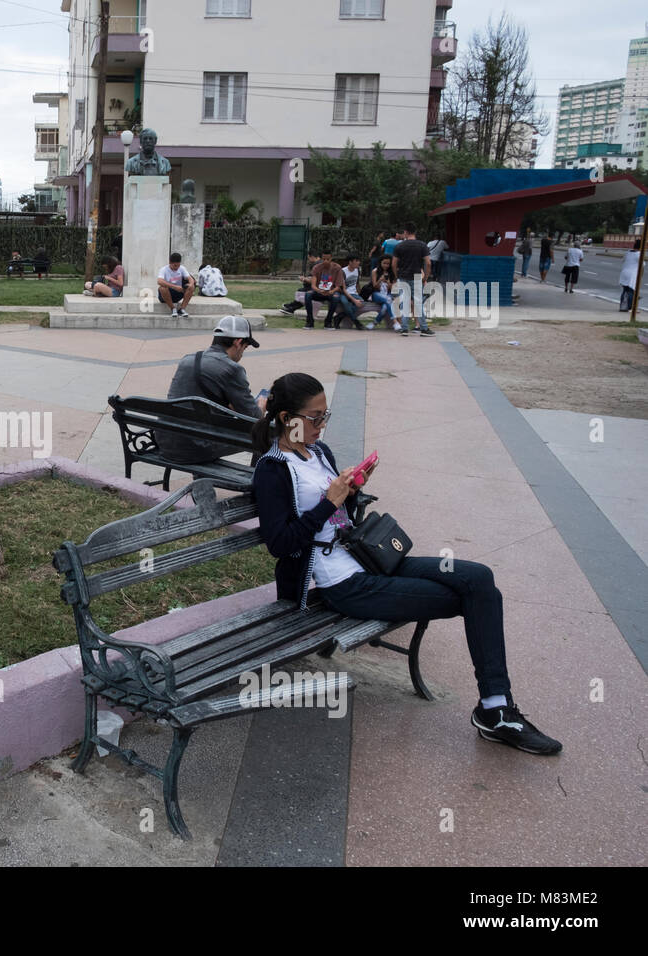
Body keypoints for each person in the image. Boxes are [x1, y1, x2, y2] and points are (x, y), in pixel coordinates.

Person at [249, 372, 562, 757]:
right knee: (471, 600)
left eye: (325, 416)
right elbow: (281, 545)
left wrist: (352, 491)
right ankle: (496, 710)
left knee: (479, 579)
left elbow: (342, 518)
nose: (321, 425)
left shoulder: (320, 453)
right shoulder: (272, 468)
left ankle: (495, 709)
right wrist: (329, 502)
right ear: (286, 417)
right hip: (342, 585)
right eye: (315, 418)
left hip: (369, 560)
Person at [155, 315, 267, 465]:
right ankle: (255, 485)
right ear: (238, 342)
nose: (242, 354)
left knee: (199, 428)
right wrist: (261, 406)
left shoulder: (187, 359)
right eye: (245, 348)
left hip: (166, 442)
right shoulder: (232, 368)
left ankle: (202, 488)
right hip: (196, 449)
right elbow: (254, 418)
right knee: (265, 434)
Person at [393, 222, 434, 337]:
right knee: (418, 302)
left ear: (405, 232)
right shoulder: (422, 245)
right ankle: (424, 328)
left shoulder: (400, 246)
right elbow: (428, 263)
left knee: (405, 302)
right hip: (416, 276)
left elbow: (394, 263)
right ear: (415, 232)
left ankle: (404, 328)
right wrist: (425, 277)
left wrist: (397, 275)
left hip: (403, 276)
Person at [302, 250, 346, 330]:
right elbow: (313, 285)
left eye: (328, 259)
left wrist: (331, 292)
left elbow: (338, 286)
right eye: (324, 259)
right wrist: (319, 290)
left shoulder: (337, 268)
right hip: (319, 291)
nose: (325, 261)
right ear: (321, 258)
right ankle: (310, 322)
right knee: (308, 294)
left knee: (336, 297)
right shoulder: (316, 268)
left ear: (331, 258)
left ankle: (328, 322)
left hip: (331, 292)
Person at [326, 253, 365, 330]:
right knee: (345, 303)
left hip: (354, 293)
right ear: (350, 262)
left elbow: (357, 284)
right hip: (344, 293)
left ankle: (339, 317)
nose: (358, 262)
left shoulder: (357, 270)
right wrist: (354, 300)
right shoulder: (343, 271)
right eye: (356, 261)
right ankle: (356, 322)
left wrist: (359, 295)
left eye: (358, 261)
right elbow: (343, 289)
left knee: (362, 302)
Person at [157, 252, 196, 317]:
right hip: (166, 295)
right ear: (170, 262)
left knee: (191, 287)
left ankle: (182, 309)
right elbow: (159, 281)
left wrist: (191, 284)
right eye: (175, 265)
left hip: (178, 293)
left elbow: (190, 278)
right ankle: (173, 309)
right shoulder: (163, 269)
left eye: (178, 265)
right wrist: (174, 287)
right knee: (162, 288)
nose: (177, 267)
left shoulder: (182, 268)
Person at [369, 254, 400, 331]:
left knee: (385, 307)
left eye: (388, 264)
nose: (386, 265)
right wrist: (380, 280)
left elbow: (393, 288)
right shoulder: (375, 271)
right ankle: (395, 322)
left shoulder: (392, 273)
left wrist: (389, 283)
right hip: (377, 294)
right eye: (384, 263)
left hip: (387, 294)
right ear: (380, 263)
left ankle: (374, 323)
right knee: (389, 300)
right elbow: (374, 286)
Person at [619, 239, 642, 312]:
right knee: (631, 291)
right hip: (631, 274)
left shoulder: (628, 252)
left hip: (624, 273)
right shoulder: (639, 254)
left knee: (625, 290)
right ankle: (630, 308)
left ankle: (622, 307)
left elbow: (623, 260)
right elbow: (642, 264)